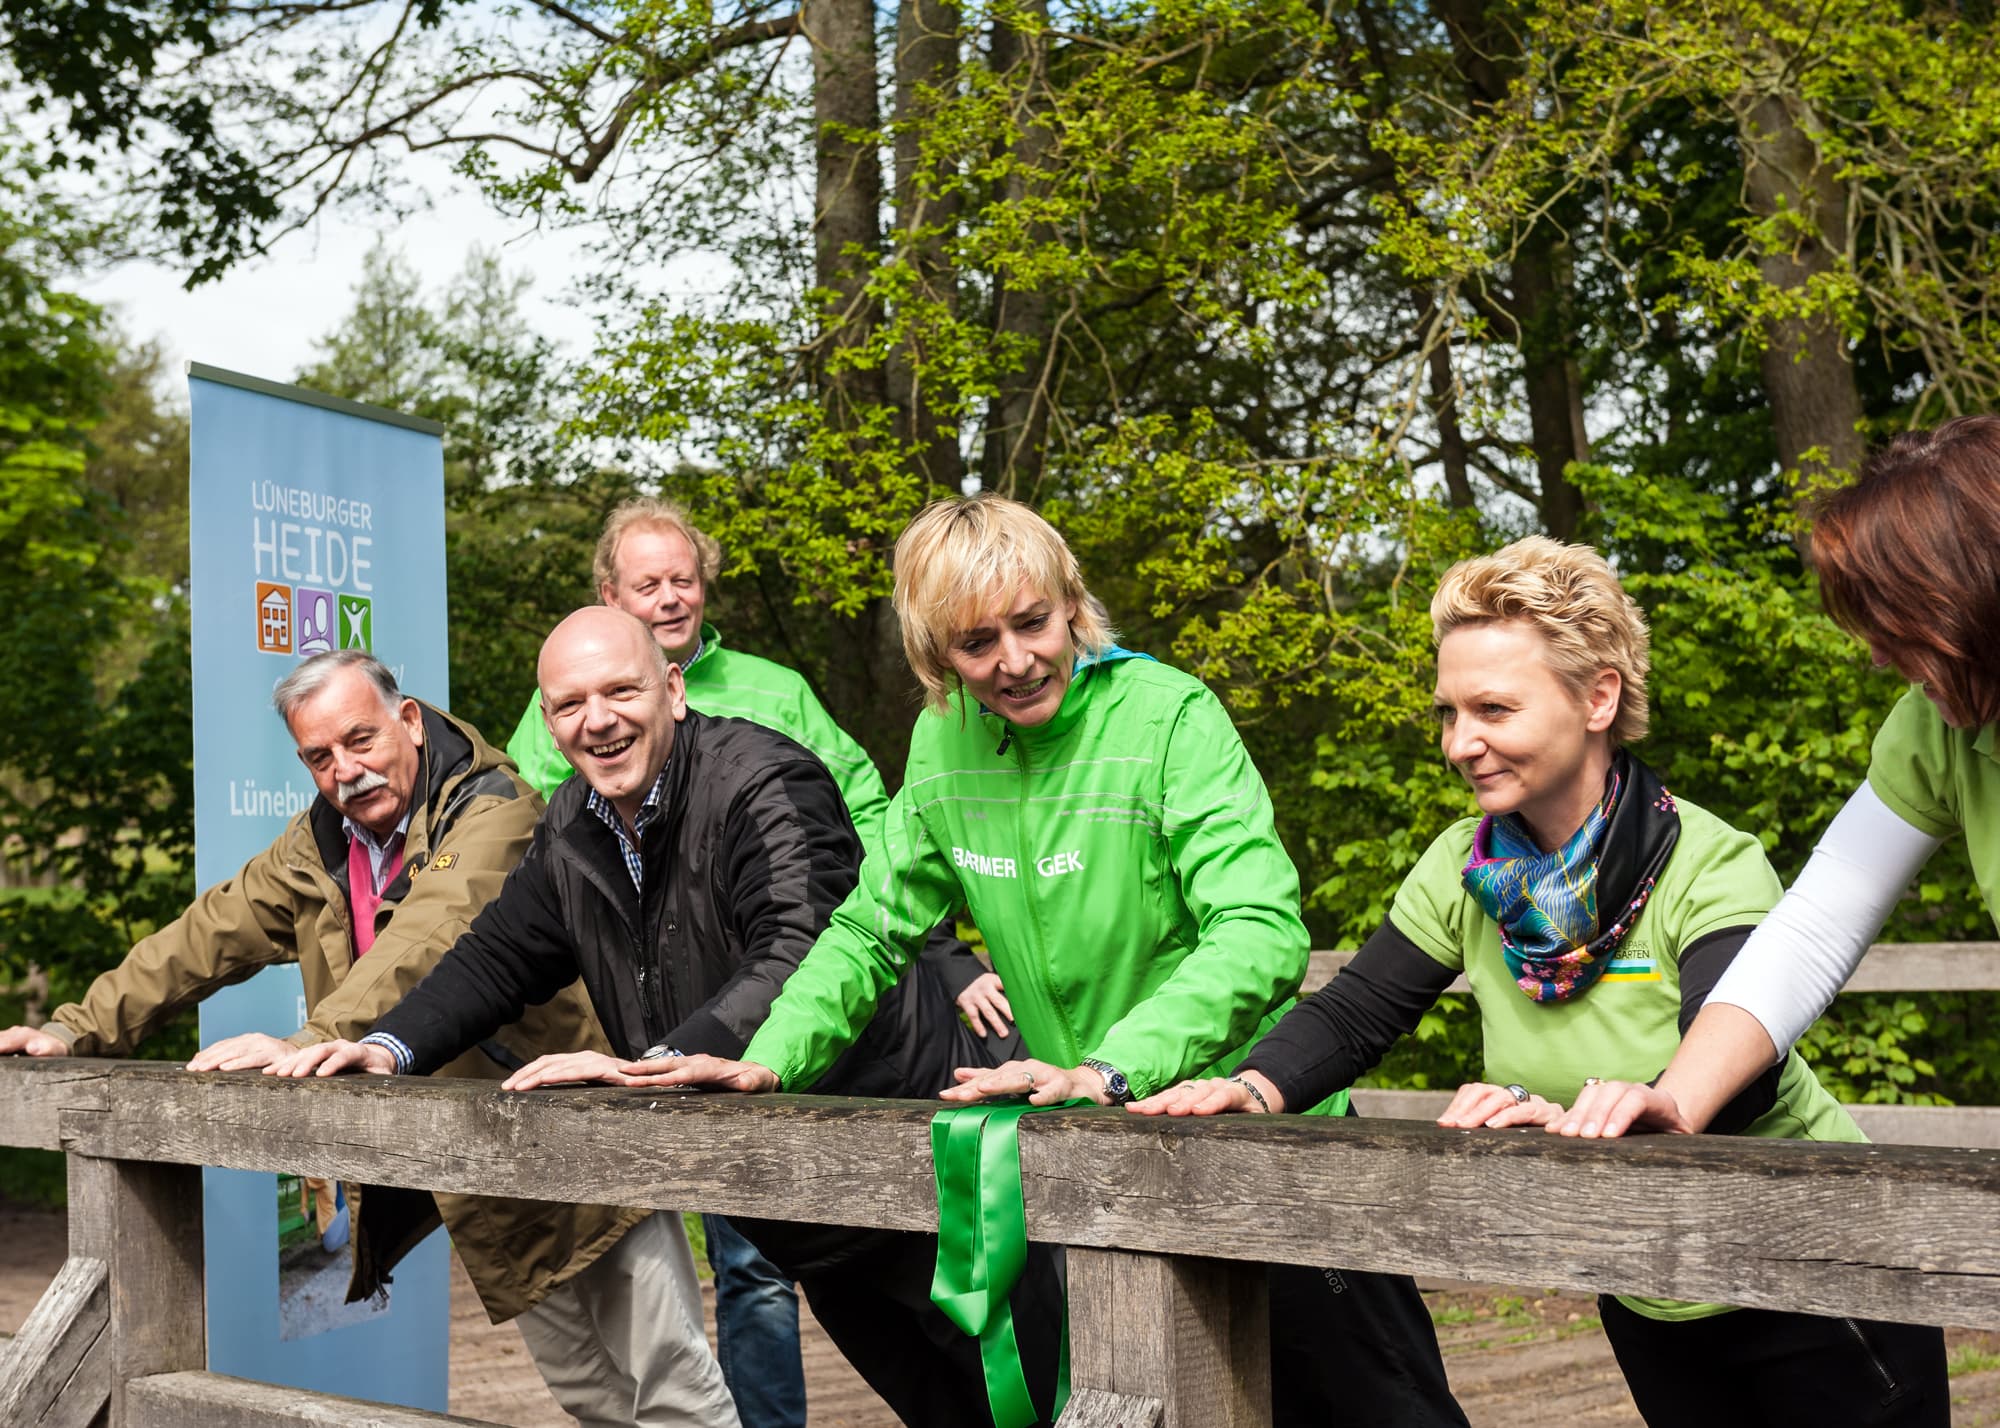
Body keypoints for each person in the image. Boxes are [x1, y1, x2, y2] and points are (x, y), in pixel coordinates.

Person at [645, 492, 1468, 1427]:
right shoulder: (943, 742)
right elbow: (874, 927)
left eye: (1032, 623)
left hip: (1261, 1132)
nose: (1015, 660)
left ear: (1071, 603)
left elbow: (1259, 928)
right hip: (1096, 1161)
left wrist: (1111, 1068)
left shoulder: (1167, 718)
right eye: (976, 642)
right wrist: (770, 1055)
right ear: (935, 656)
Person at [1132, 536, 1949, 1427]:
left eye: (1492, 709)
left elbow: (1739, 1076)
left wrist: (1599, 1111)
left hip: (1818, 1273)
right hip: (1644, 1279)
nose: (1460, 743)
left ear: (1597, 698)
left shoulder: (1712, 863)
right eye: (1449, 713)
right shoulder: (1463, 865)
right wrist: (1253, 1087)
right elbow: (1360, 1011)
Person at [277, 607, 1049, 1427]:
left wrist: (651, 1064)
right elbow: (494, 957)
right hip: (812, 1219)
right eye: (570, 704)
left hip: (929, 1178)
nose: (598, 720)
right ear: (547, 722)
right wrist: (390, 1046)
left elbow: (798, 949)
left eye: (620, 691)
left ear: (674, 689)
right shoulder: (572, 827)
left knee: (1035, 1405)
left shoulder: (763, 778)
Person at [0, 649, 737, 1428]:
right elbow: (206, 933)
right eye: (320, 756)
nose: (346, 770)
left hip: (579, 1146)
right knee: (590, 1395)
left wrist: (316, 1039)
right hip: (480, 1176)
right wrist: (74, 1028)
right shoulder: (320, 844)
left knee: (672, 1388)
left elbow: (425, 940)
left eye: (362, 740)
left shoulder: (496, 812)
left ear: (410, 721)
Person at [502, 497, 1013, 1428]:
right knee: (758, 1250)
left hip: (784, 1020)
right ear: (610, 593)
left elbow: (877, 832)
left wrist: (939, 951)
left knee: (767, 1270)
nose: (669, 597)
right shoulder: (562, 704)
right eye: (647, 584)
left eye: (683, 580)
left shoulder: (776, 695)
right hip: (668, 1026)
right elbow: (550, 871)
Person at [1554, 417, 2000, 1147]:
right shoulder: (1935, 728)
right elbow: (1817, 924)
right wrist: (1681, 1100)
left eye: (1903, 626)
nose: (1883, 659)